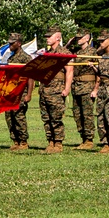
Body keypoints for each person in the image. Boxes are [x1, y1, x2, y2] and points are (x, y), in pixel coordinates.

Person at [39, 26, 73, 154]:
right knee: (46, 117)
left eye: (50, 36)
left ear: (58, 37)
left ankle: (58, 143)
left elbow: (69, 71)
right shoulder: (46, 54)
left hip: (57, 89)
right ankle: (50, 142)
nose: (47, 38)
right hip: (44, 89)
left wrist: (67, 88)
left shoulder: (64, 52)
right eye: (47, 36)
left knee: (56, 117)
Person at [2, 33, 33, 151]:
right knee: (9, 117)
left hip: (21, 92)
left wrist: (29, 94)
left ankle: (23, 141)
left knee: (19, 116)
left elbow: (30, 77)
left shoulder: (26, 58)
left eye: (12, 42)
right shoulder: (10, 58)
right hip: (10, 92)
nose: (10, 44)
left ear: (19, 43)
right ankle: (15, 140)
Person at [70, 29, 97, 150]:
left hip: (87, 86)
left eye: (80, 38)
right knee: (77, 114)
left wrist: (95, 89)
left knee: (87, 114)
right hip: (76, 86)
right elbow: (63, 52)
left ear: (87, 38)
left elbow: (100, 72)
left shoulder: (93, 52)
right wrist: (70, 42)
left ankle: (89, 139)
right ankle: (83, 138)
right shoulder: (76, 52)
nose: (78, 40)